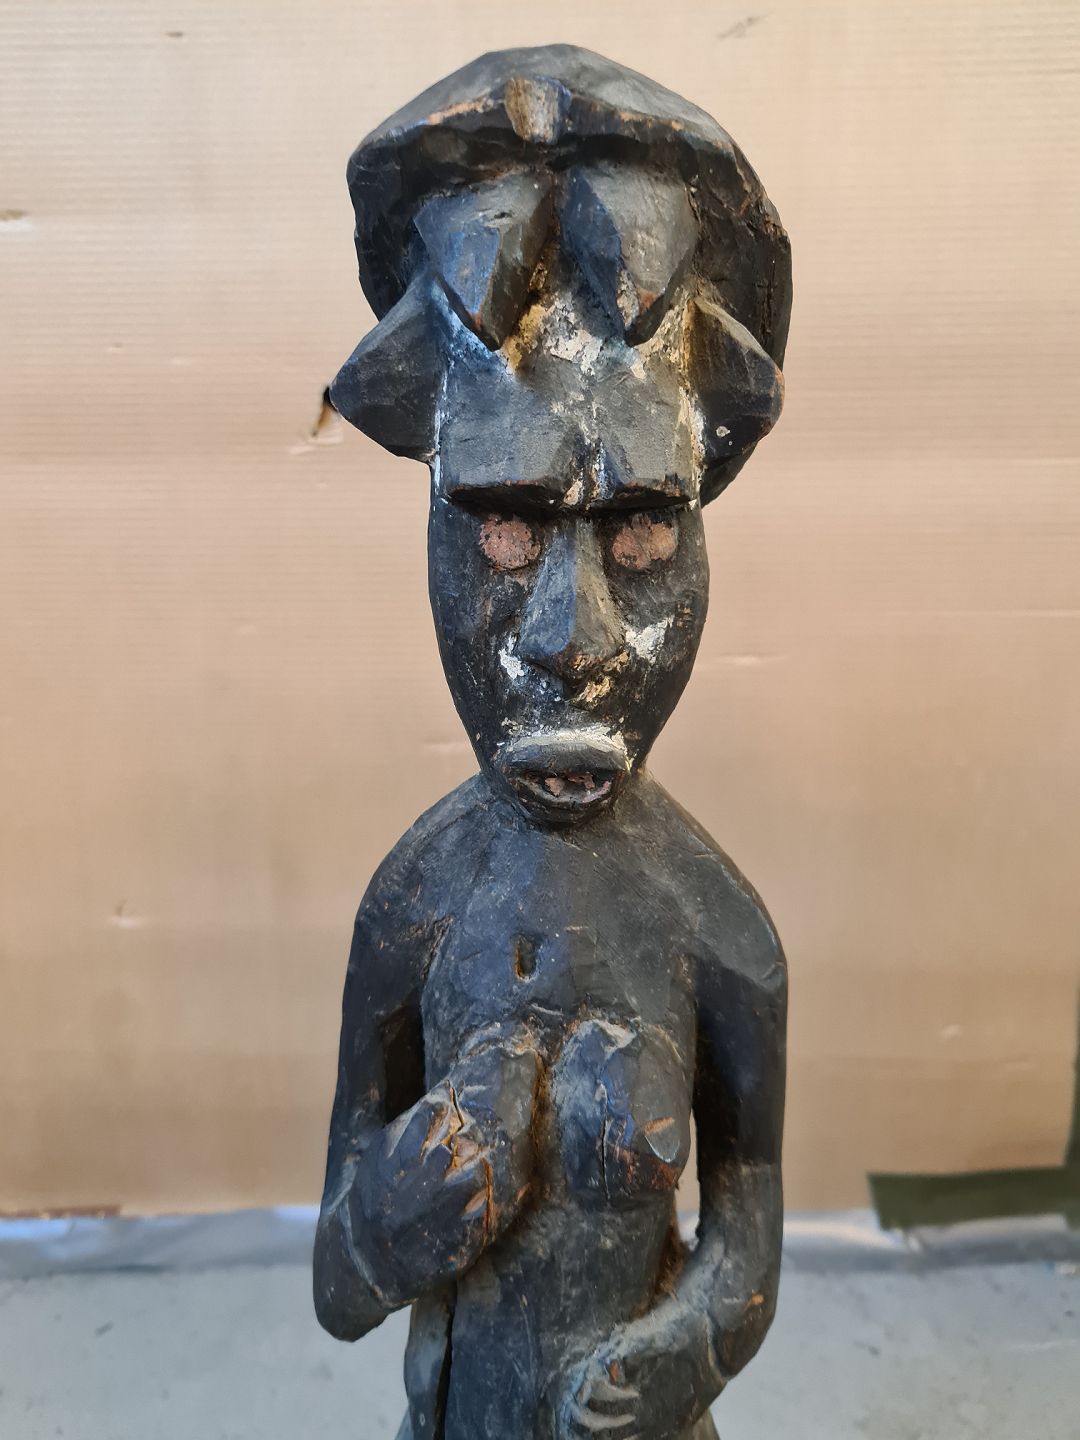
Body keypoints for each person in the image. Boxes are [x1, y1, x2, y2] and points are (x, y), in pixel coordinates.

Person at [313, 46, 791, 1440]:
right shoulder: (415, 905)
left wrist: (687, 1353)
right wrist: (390, 1222)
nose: (570, 637)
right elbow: (336, 1281)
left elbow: (751, 1233)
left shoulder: (718, 932)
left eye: (639, 536)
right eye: (507, 533)